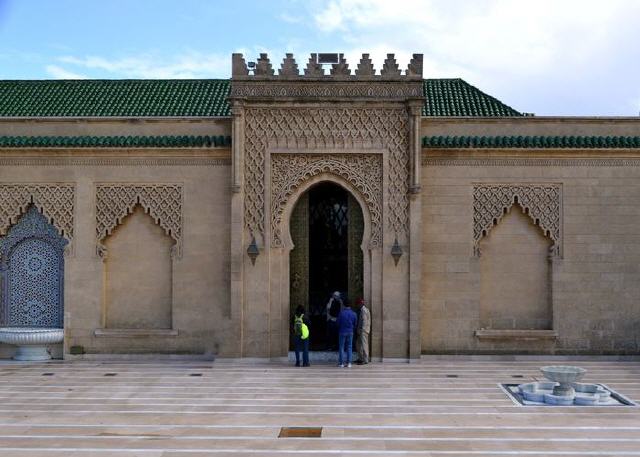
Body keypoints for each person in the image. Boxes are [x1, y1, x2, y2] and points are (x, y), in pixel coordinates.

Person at [336, 301, 357, 368]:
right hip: (350, 331)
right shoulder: (354, 313)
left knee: (341, 347)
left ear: (344, 305)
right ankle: (349, 363)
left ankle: (341, 363)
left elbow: (338, 323)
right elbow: (355, 323)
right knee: (349, 347)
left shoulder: (341, 313)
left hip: (342, 331)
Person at [355, 298, 371, 365]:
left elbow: (364, 321)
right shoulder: (363, 310)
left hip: (363, 331)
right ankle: (361, 358)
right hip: (361, 330)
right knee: (358, 344)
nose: (357, 306)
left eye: (358, 304)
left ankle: (365, 360)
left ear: (360, 304)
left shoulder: (364, 310)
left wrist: (362, 330)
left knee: (364, 345)